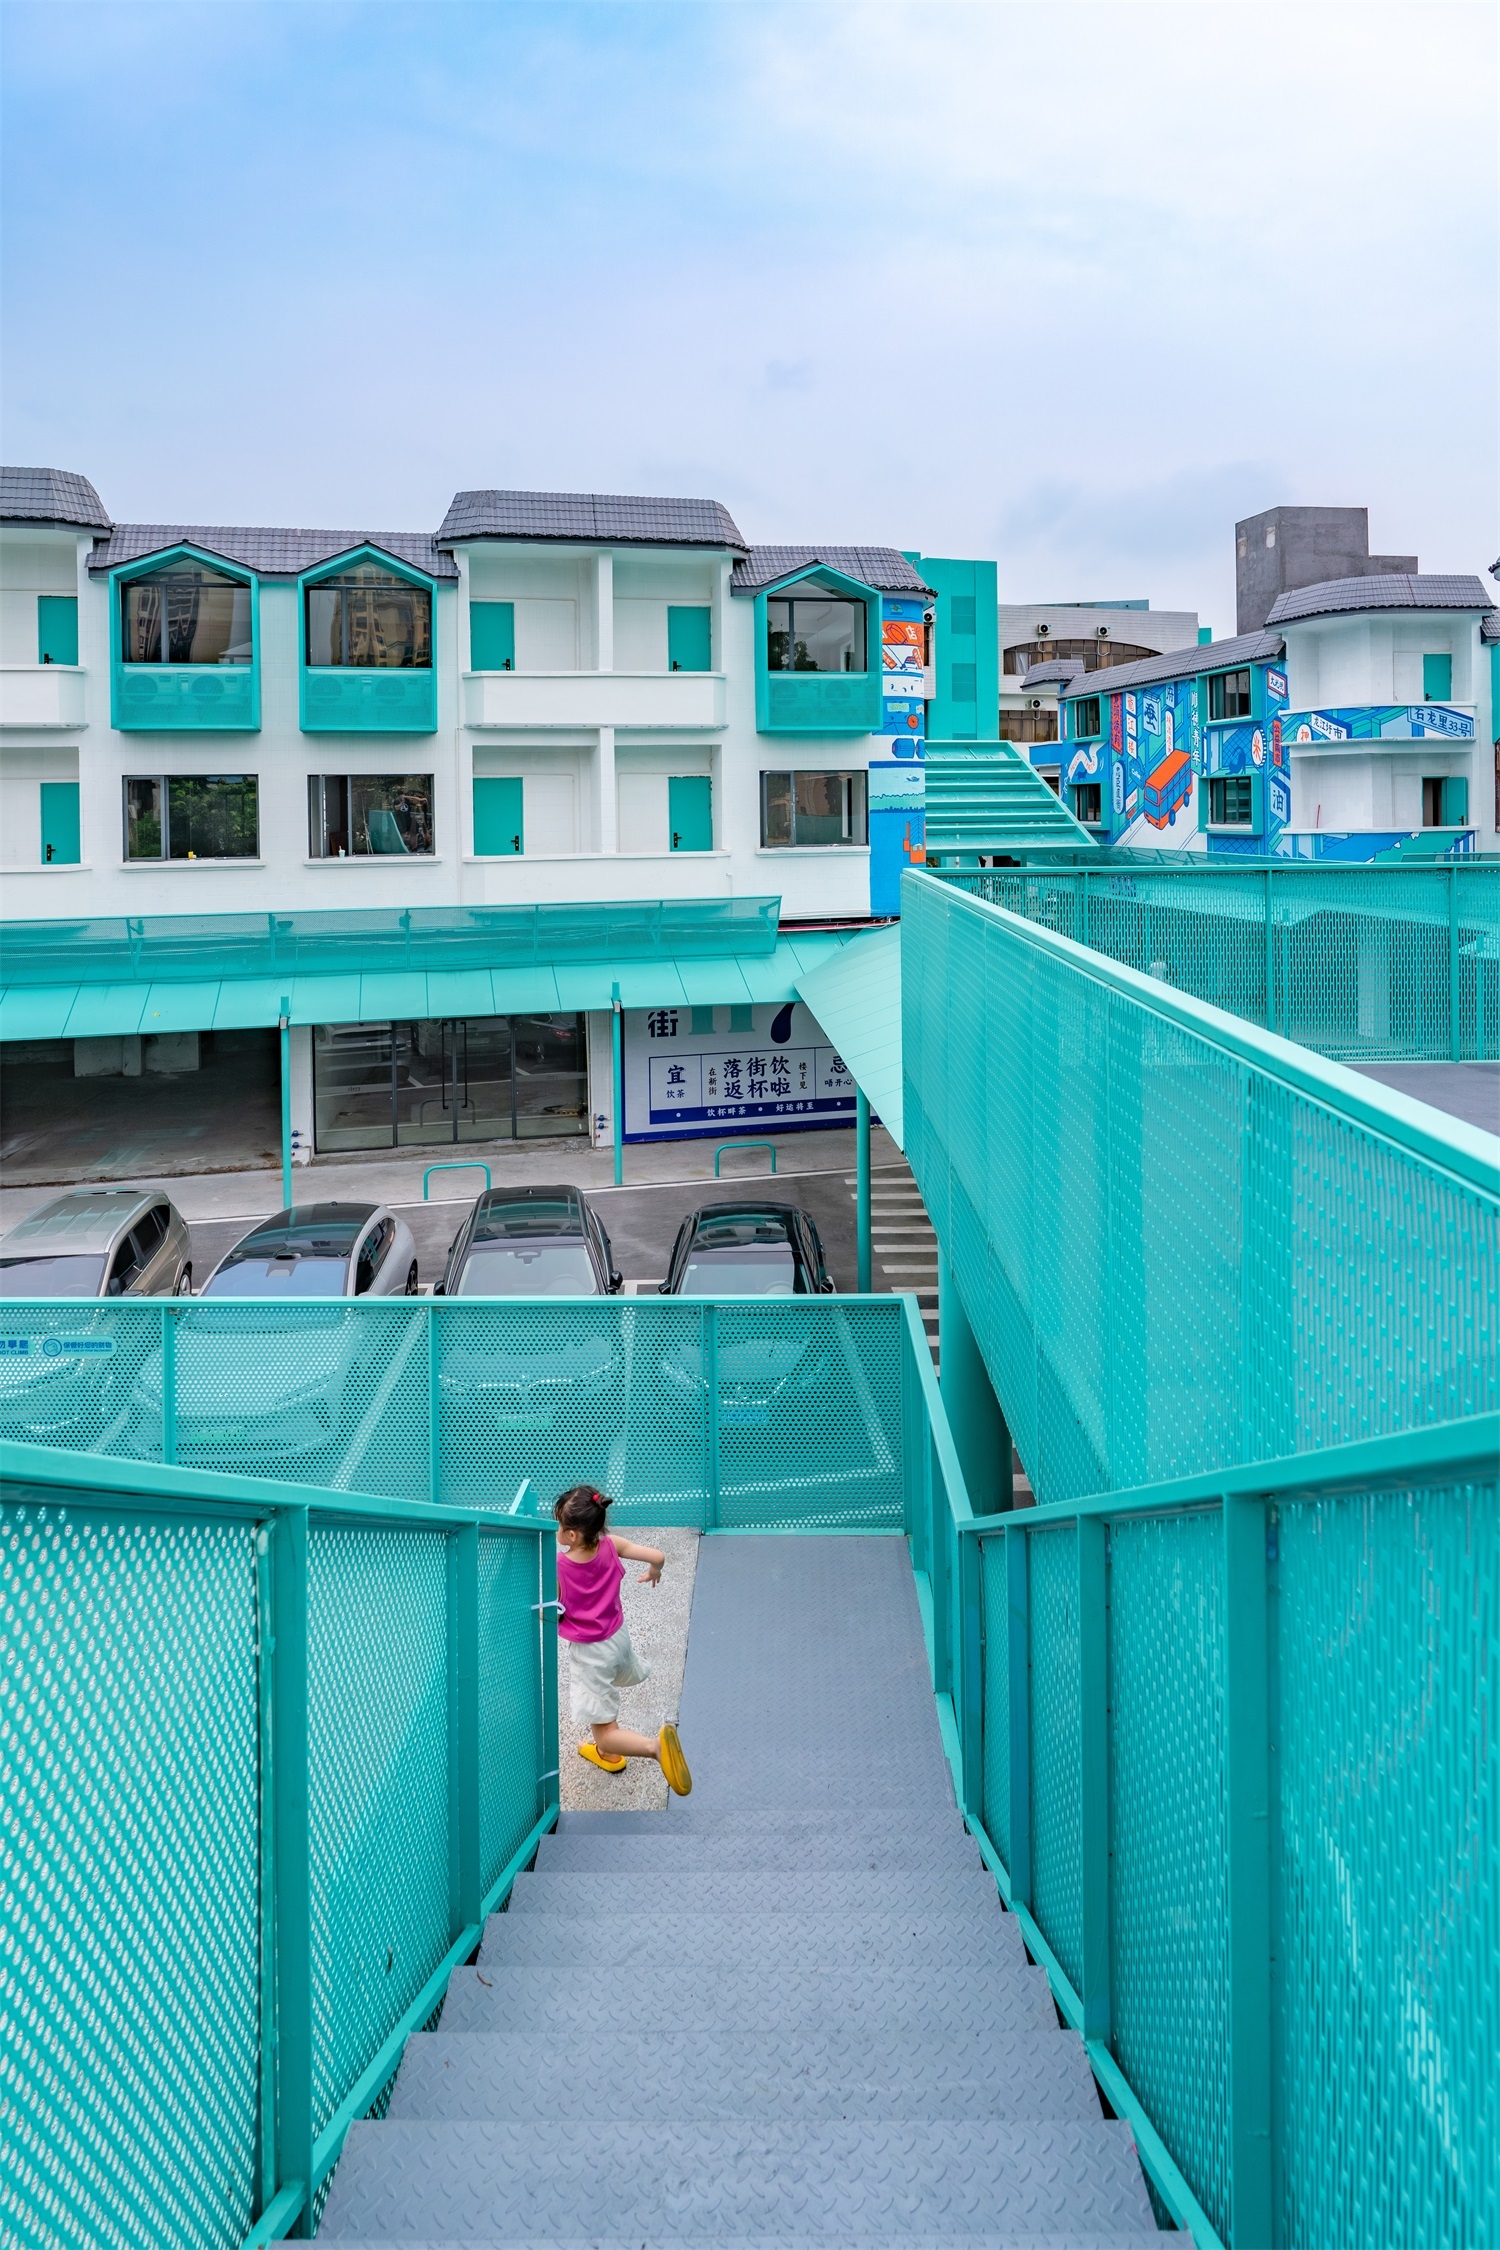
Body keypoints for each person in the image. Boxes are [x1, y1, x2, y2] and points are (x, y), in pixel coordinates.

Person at [554, 1484, 692, 1793]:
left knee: (604, 1732)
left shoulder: (560, 1567)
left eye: (559, 1526)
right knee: (604, 1698)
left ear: (572, 1535)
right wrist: (655, 1571)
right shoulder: (611, 1544)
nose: (557, 1531)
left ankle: (653, 1747)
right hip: (617, 1637)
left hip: (592, 1654)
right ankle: (607, 1755)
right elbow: (657, 1556)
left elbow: (550, 1610)